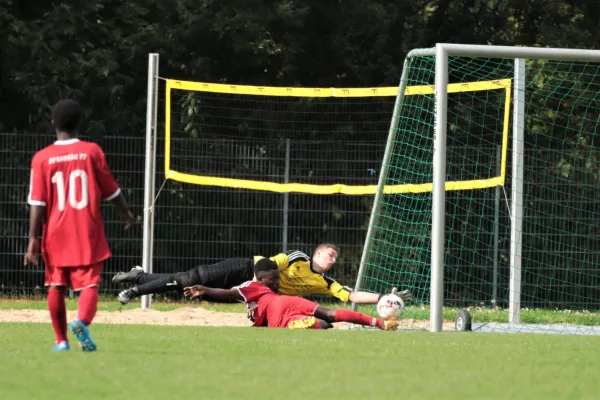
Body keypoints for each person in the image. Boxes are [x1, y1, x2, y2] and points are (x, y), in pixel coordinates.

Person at [25, 99, 134, 352]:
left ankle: (61, 341)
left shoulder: (41, 158)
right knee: (89, 285)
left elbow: (37, 203)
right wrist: (125, 212)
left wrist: (33, 238)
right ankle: (82, 322)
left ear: (53, 122)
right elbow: (111, 190)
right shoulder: (91, 151)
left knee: (56, 285)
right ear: (79, 124)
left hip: (54, 233)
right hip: (86, 231)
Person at [114, 244, 411, 307]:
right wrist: (258, 281)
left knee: (187, 288)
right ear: (318, 253)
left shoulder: (325, 282)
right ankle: (134, 291)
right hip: (244, 270)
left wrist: (383, 297)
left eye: (335, 258)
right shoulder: (299, 257)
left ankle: (140, 276)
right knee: (190, 278)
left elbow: (351, 294)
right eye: (329, 255)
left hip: (254, 293)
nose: (333, 261)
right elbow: (268, 262)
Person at [183, 258, 399, 331]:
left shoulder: (255, 287)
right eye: (274, 280)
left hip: (277, 312)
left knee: (320, 324)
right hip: (289, 303)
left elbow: (229, 293)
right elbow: (229, 293)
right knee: (329, 315)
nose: (277, 282)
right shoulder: (255, 286)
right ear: (261, 278)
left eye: (278, 279)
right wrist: (206, 289)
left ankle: (304, 324)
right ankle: (378, 323)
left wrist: (205, 290)